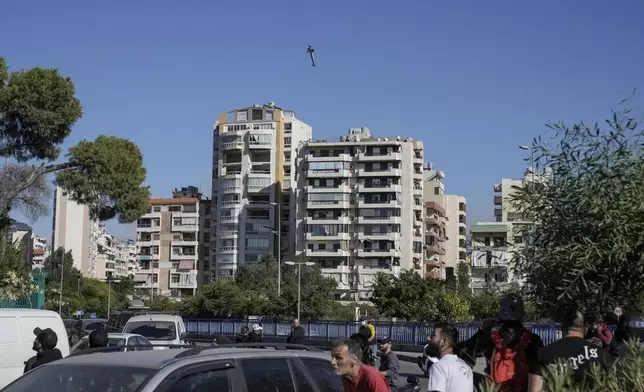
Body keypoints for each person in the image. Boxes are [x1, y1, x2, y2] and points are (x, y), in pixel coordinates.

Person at [457, 294, 542, 392]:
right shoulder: (534, 340)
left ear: (501, 314)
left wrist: (483, 330)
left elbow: (462, 351)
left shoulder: (489, 337)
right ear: (522, 314)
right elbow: (537, 375)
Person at [530, 308, 611, 391]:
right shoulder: (601, 354)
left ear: (562, 328)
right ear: (584, 329)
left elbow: (534, 390)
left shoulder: (542, 353)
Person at [427, 323, 473, 392]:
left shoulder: (439, 367)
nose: (428, 338)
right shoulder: (466, 367)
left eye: (433, 335)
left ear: (444, 341)